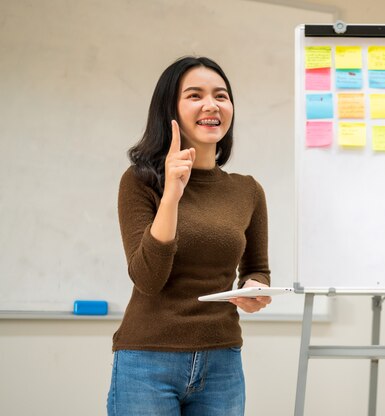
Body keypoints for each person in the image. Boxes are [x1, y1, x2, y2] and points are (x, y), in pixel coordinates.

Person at [107, 56, 272, 416]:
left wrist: (255, 289)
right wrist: (172, 195)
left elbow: (258, 269)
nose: (211, 105)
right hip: (147, 360)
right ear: (171, 109)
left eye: (221, 96)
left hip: (222, 361)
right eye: (195, 95)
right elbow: (148, 279)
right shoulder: (139, 181)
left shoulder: (248, 191)